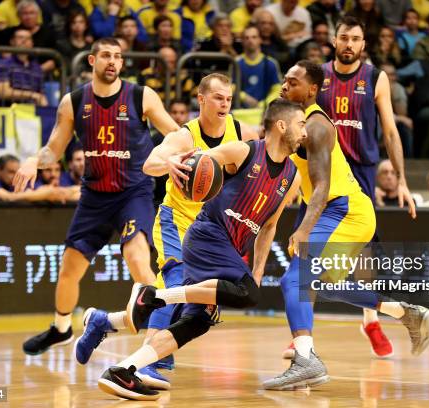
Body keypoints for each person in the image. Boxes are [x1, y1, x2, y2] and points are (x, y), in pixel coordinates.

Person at [95, 98, 303, 400]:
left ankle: (124, 370)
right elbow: (197, 161)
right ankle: (155, 297)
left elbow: (269, 226)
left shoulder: (292, 176)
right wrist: (174, 164)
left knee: (197, 321)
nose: (304, 132)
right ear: (282, 125)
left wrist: (256, 271)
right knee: (248, 294)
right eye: (301, 124)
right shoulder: (243, 150)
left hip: (230, 248)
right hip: (208, 234)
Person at [75, 73, 258, 389]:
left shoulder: (242, 134)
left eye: (228, 98)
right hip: (177, 222)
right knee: (174, 282)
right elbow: (150, 164)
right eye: (217, 97)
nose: (224, 103)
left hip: (213, 231)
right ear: (200, 99)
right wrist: (171, 162)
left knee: (191, 305)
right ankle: (148, 362)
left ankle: (103, 322)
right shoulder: (184, 136)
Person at [264, 60, 429, 390]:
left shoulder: (316, 127)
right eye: (284, 81)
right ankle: (407, 313)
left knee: (295, 280)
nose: (285, 86)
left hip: (345, 209)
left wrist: (302, 228)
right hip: (338, 209)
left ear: (312, 90)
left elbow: (323, 188)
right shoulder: (294, 124)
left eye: (292, 82)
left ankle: (306, 360)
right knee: (322, 284)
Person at [16, 37, 180, 356]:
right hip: (94, 196)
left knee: (136, 257)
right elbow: (54, 150)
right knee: (69, 269)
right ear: (92, 61)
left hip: (133, 191)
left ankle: (160, 340)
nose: (113, 62)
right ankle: (61, 328)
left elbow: (176, 133)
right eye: (106, 56)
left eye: (117, 57)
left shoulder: (141, 96)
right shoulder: (73, 102)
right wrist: (34, 160)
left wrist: (175, 156)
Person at [315, 16, 417, 357]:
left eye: (355, 39)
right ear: (334, 40)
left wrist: (401, 179)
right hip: (322, 172)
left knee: (364, 253)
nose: (348, 44)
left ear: (363, 45)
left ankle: (370, 320)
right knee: (310, 252)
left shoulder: (376, 77)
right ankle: (302, 334)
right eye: (343, 37)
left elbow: (390, 131)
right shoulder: (317, 76)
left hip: (359, 171)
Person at [0, 154, 68, 202]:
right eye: (11, 172)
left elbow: (33, 191)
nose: (15, 176)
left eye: (17, 172)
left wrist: (47, 191)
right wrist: (47, 194)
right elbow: (8, 198)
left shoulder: (12, 182)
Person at [0, 27, 47, 107]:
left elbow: (42, 95)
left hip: (33, 112)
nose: (24, 41)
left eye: (28, 38)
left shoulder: (37, 68)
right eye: (20, 37)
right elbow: (3, 92)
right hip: (9, 110)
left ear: (32, 43)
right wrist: (33, 95)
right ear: (12, 42)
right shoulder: (3, 64)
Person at [237, 24, 282, 108]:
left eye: (254, 37)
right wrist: (244, 97)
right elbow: (231, 87)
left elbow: (277, 89)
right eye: (247, 38)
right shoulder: (236, 62)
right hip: (240, 110)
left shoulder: (270, 63)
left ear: (260, 40)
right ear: (242, 41)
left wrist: (264, 104)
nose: (250, 40)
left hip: (265, 111)